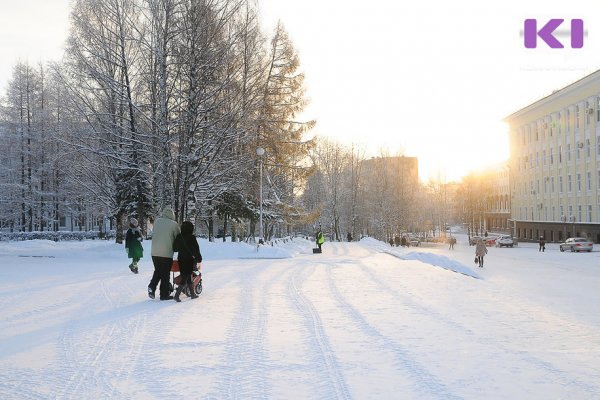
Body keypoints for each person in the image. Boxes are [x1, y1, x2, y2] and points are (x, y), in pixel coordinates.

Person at [148, 207, 180, 300]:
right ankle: (164, 294)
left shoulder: (157, 221)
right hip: (166, 252)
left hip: (154, 252)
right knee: (165, 274)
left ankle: (152, 287)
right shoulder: (174, 224)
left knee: (158, 271)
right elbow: (178, 237)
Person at [173, 221, 202, 302]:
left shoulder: (179, 236)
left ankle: (192, 294)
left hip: (181, 259)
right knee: (186, 276)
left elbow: (174, 248)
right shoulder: (192, 237)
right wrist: (199, 258)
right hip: (189, 259)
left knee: (187, 276)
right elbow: (196, 250)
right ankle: (177, 295)